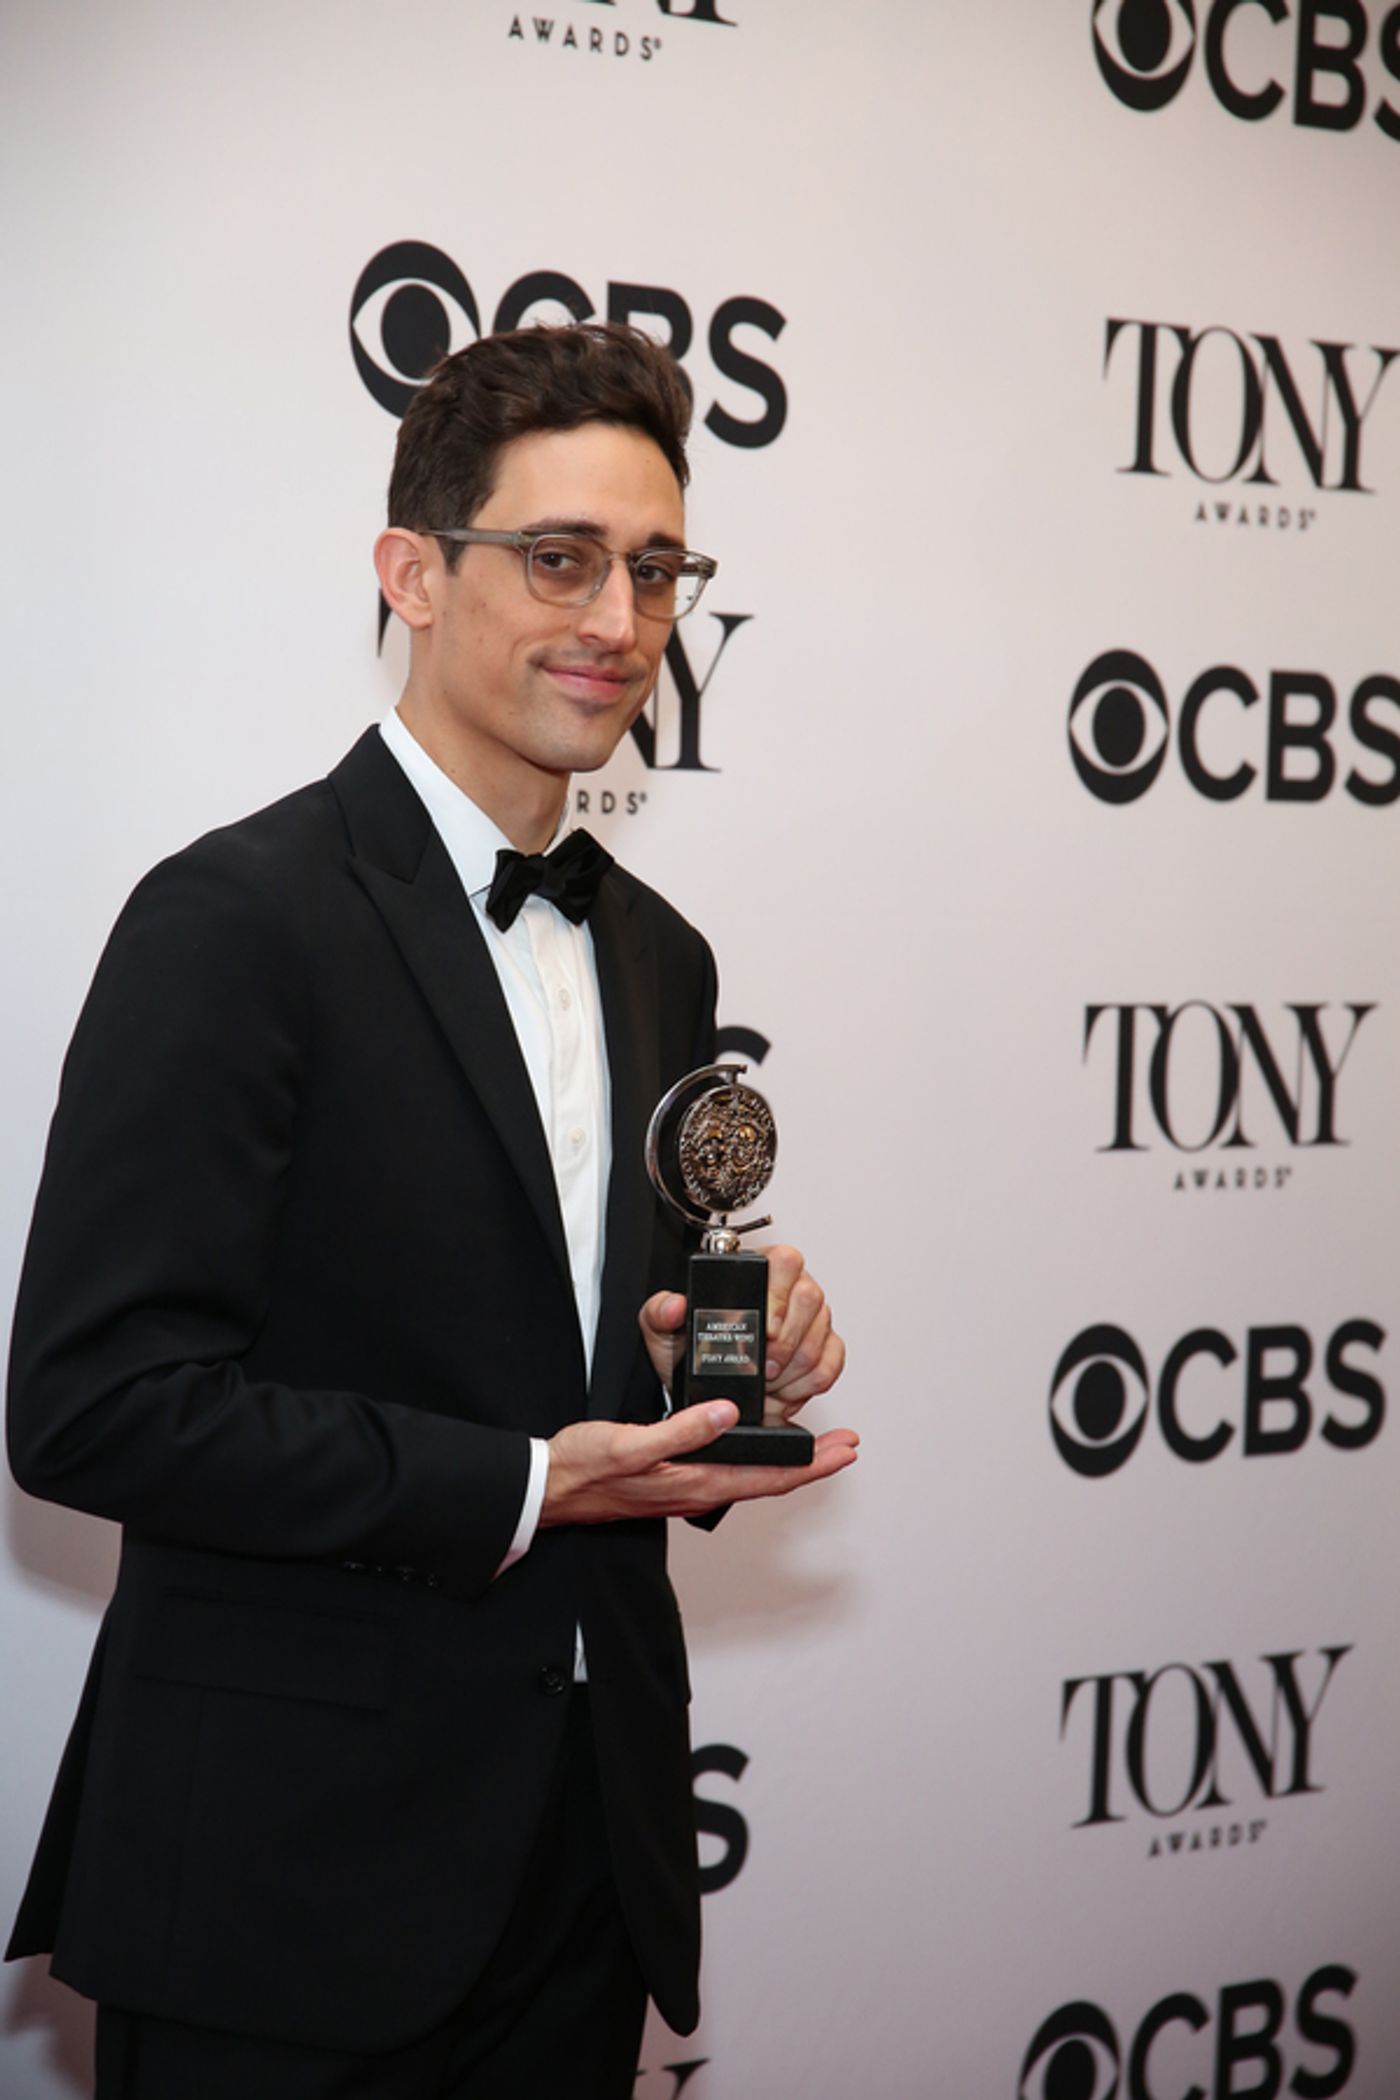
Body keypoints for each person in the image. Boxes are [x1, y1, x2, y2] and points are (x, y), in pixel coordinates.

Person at [5, 321, 856, 2100]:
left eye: (654, 568)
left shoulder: (658, 952)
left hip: (583, 1862)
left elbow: (578, 1335)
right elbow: (91, 1402)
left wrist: (717, 1349)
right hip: (287, 1887)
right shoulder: (233, 917)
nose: (616, 622)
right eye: (558, 559)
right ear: (411, 572)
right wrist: (530, 1482)